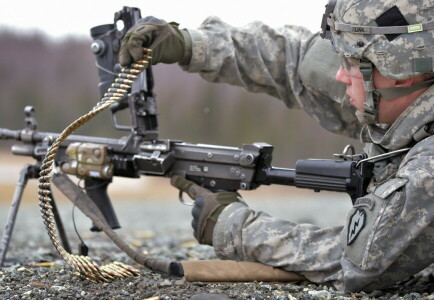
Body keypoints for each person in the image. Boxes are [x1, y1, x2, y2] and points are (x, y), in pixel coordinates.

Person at [119, 0, 434, 292]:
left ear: (401, 75)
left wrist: (232, 227)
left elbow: (358, 262)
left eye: (352, 63)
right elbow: (292, 59)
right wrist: (188, 44)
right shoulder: (397, 91)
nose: (340, 75)